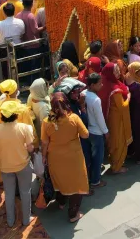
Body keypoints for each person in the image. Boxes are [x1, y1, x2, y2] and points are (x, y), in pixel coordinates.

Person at [43, 92, 90, 222]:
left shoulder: (48, 121)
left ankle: (61, 202)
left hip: (55, 158)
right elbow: (85, 135)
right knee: (77, 183)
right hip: (73, 157)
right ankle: (73, 214)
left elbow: (45, 142)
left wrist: (43, 157)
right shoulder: (73, 118)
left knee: (60, 180)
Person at [0, 100, 35, 228]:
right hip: (23, 165)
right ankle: (26, 219)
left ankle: (10, 221)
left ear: (2, 115)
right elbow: (30, 148)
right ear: (16, 114)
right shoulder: (24, 128)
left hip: (5, 167)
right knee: (25, 192)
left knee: (9, 194)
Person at [101, 62, 131, 174]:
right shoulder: (115, 90)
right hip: (117, 118)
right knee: (118, 141)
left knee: (113, 141)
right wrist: (128, 97)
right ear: (110, 73)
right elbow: (122, 106)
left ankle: (115, 163)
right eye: (116, 71)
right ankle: (116, 167)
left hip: (111, 117)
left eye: (118, 70)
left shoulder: (106, 84)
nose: (118, 73)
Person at [84, 72, 108, 188]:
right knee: (98, 158)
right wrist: (106, 132)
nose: (101, 85)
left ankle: (90, 177)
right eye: (99, 84)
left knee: (90, 156)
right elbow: (100, 118)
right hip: (96, 131)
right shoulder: (95, 100)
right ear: (92, 85)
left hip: (87, 130)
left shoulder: (84, 94)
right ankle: (96, 181)